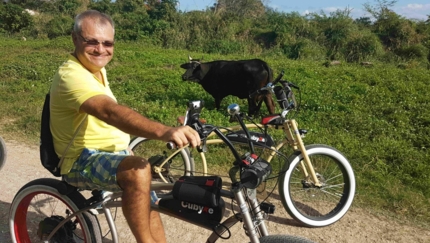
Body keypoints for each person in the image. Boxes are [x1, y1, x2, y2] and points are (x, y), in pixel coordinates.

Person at [50, 10, 201, 243]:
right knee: (138, 170)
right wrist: (165, 131)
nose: (100, 50)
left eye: (107, 43)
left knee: (151, 201)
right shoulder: (71, 75)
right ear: (75, 39)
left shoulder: (96, 69)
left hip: (109, 153)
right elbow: (109, 111)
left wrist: (123, 148)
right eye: (91, 41)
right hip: (79, 160)